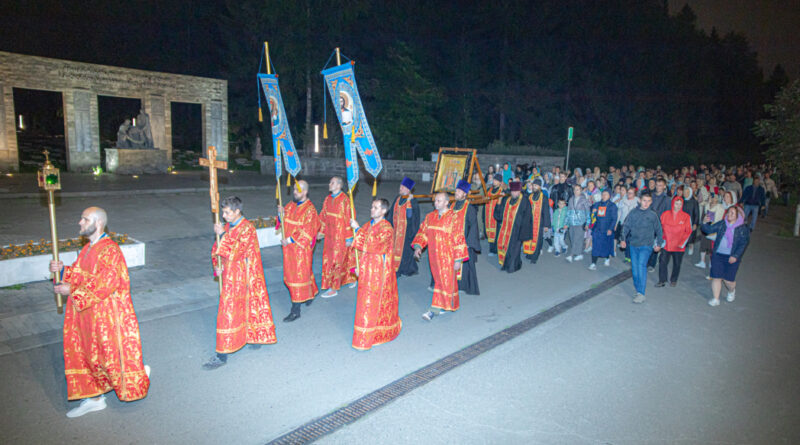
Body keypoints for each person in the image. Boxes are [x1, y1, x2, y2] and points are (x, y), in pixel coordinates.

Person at [49, 207, 149, 418]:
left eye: (85, 219)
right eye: (82, 218)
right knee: (87, 355)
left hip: (107, 317)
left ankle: (136, 376)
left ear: (98, 223)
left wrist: (72, 290)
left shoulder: (110, 250)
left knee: (110, 356)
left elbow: (106, 283)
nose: (80, 222)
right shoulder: (87, 249)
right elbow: (81, 274)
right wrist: (63, 270)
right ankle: (94, 398)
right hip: (88, 314)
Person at [204, 197, 277, 370]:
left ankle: (222, 354)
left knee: (230, 312)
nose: (224, 215)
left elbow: (238, 251)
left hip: (244, 277)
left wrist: (222, 234)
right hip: (229, 275)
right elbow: (217, 249)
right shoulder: (229, 226)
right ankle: (241, 340)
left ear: (237, 211)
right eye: (223, 212)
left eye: (227, 212)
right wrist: (218, 267)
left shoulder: (247, 228)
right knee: (231, 311)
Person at [348, 198, 402, 350]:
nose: (372, 210)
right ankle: (363, 335)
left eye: (376, 207)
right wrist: (355, 268)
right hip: (365, 271)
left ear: (384, 211)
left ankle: (373, 335)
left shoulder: (387, 229)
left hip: (378, 273)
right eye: (372, 207)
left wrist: (357, 230)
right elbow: (357, 248)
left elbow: (376, 245)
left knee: (373, 304)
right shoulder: (367, 225)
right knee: (364, 304)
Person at [413, 192, 469, 320]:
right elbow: (423, 233)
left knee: (444, 281)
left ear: (446, 202)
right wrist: (418, 247)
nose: (435, 203)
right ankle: (448, 304)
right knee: (441, 281)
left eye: (439, 201)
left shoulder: (454, 218)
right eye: (435, 201)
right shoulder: (430, 217)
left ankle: (434, 309)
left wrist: (458, 259)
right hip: (434, 257)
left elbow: (459, 239)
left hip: (448, 257)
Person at [278, 180, 321, 322]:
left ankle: (295, 311)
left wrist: (290, 240)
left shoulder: (310, 210)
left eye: (297, 191)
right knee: (298, 274)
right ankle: (310, 293)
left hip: (300, 250)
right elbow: (283, 223)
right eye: (294, 191)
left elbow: (308, 230)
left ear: (305, 192)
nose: (294, 193)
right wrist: (280, 215)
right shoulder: (290, 206)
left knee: (297, 277)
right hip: (288, 250)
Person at [701, 206, 750, 307]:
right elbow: (708, 230)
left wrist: (735, 255)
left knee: (728, 281)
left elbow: (743, 243)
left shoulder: (742, 228)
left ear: (738, 216)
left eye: (732, 213)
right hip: (718, 255)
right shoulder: (722, 224)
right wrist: (705, 222)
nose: (729, 215)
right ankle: (716, 298)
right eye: (729, 212)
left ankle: (731, 291)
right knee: (716, 277)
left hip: (731, 257)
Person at [620, 192, 664, 303]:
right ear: (639, 200)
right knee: (635, 270)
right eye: (644, 200)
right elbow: (626, 226)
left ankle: (641, 293)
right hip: (634, 244)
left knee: (641, 266)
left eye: (649, 201)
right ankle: (638, 289)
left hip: (646, 245)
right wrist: (623, 239)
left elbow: (659, 230)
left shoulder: (653, 215)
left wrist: (659, 243)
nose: (646, 203)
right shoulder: (633, 213)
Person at [317, 176, 356, 298]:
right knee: (330, 261)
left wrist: (349, 237)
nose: (329, 184)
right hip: (329, 236)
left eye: (332, 182)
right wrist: (319, 231)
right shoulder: (327, 199)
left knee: (337, 261)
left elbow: (349, 219)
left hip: (341, 236)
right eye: (330, 182)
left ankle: (334, 288)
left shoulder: (345, 200)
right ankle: (350, 279)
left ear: (339, 186)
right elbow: (322, 216)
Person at [493, 181, 533, 273]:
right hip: (506, 229)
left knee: (514, 250)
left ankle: (513, 267)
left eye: (516, 191)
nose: (514, 193)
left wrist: (523, 233)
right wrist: (498, 203)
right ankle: (505, 265)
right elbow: (499, 215)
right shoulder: (507, 200)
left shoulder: (524, 201)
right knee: (506, 248)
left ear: (519, 191)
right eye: (513, 191)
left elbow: (527, 217)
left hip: (518, 230)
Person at [451, 179, 481, 294]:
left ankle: (464, 287)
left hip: (464, 243)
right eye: (456, 190)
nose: (456, 192)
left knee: (466, 267)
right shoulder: (452, 205)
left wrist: (468, 243)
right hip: (452, 242)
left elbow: (474, 226)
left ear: (465, 193)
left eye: (459, 191)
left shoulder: (470, 208)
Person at [387, 177, 421, 277]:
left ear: (408, 189)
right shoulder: (398, 199)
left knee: (404, 252)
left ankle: (400, 269)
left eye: (403, 187)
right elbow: (391, 213)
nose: (400, 188)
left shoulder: (413, 201)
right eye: (401, 186)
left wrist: (410, 203)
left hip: (406, 232)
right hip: (395, 230)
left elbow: (411, 217)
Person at [656, 196, 693, 287]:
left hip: (678, 246)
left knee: (677, 263)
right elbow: (659, 229)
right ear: (673, 203)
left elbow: (688, 231)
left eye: (680, 204)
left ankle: (674, 279)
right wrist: (659, 241)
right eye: (677, 203)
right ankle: (662, 279)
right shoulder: (665, 214)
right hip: (666, 243)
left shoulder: (686, 217)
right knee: (663, 261)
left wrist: (682, 243)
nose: (678, 206)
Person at [523, 177, 552, 264]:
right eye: (533, 185)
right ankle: (529, 253)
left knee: (538, 240)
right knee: (529, 238)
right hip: (530, 222)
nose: (534, 187)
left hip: (539, 222)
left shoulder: (543, 198)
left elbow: (546, 211)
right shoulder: (530, 196)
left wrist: (546, 225)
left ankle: (534, 257)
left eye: (536, 185)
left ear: (539, 186)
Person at [695, 193, 725, 273]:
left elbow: (716, 219)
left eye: (714, 197)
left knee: (712, 248)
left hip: (713, 229)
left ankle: (712, 264)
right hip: (706, 227)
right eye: (711, 197)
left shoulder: (720, 207)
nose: (712, 199)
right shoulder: (708, 205)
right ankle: (702, 261)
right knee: (703, 244)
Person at [589, 189, 618, 269]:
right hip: (597, 229)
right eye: (603, 194)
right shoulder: (597, 204)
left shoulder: (612, 206)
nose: (604, 196)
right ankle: (593, 263)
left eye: (606, 194)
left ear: (609, 196)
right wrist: (593, 214)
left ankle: (607, 258)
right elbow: (592, 216)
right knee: (595, 246)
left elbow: (614, 219)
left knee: (606, 245)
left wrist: (610, 229)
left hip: (607, 229)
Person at [647, 178, 671, 270]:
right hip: (649, 223)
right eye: (657, 185)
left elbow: (668, 214)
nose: (658, 187)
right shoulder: (651, 196)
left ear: (664, 186)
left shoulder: (667, 199)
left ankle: (652, 264)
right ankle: (647, 260)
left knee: (655, 244)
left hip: (659, 224)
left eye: (660, 185)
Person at [565, 184, 590, 263]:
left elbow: (587, 212)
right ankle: (579, 254)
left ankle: (571, 255)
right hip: (572, 222)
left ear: (581, 190)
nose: (576, 191)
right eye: (575, 189)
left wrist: (587, 223)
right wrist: (566, 223)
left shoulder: (584, 200)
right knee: (572, 238)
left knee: (577, 238)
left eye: (578, 189)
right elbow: (568, 212)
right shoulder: (571, 199)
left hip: (580, 222)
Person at [484, 173, 505, 256]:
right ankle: (491, 249)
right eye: (494, 180)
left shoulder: (502, 191)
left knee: (497, 233)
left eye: (496, 180)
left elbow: (503, 205)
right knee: (490, 233)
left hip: (497, 216)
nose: (494, 181)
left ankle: (496, 250)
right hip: (488, 216)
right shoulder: (489, 189)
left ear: (500, 182)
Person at [681, 186, 700, 256]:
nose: (685, 194)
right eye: (685, 192)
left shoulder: (694, 202)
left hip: (691, 221)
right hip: (682, 221)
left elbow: (697, 213)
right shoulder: (682, 200)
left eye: (687, 192)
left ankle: (691, 247)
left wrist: (695, 223)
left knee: (691, 236)